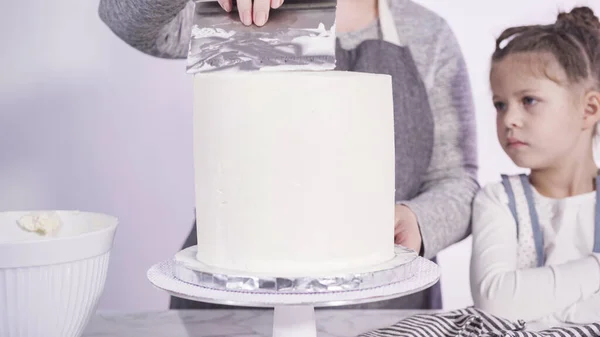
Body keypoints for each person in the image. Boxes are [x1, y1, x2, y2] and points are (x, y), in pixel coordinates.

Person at [98, 0, 479, 309]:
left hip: (385, 304)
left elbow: (458, 180)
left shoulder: (428, 34)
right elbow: (123, 18)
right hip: (237, 289)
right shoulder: (240, 10)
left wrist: (420, 219)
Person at [471, 6, 600, 327]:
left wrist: (534, 304)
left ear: (589, 108)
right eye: (500, 105)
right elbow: (494, 301)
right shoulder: (498, 200)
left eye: (528, 100)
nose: (508, 119)